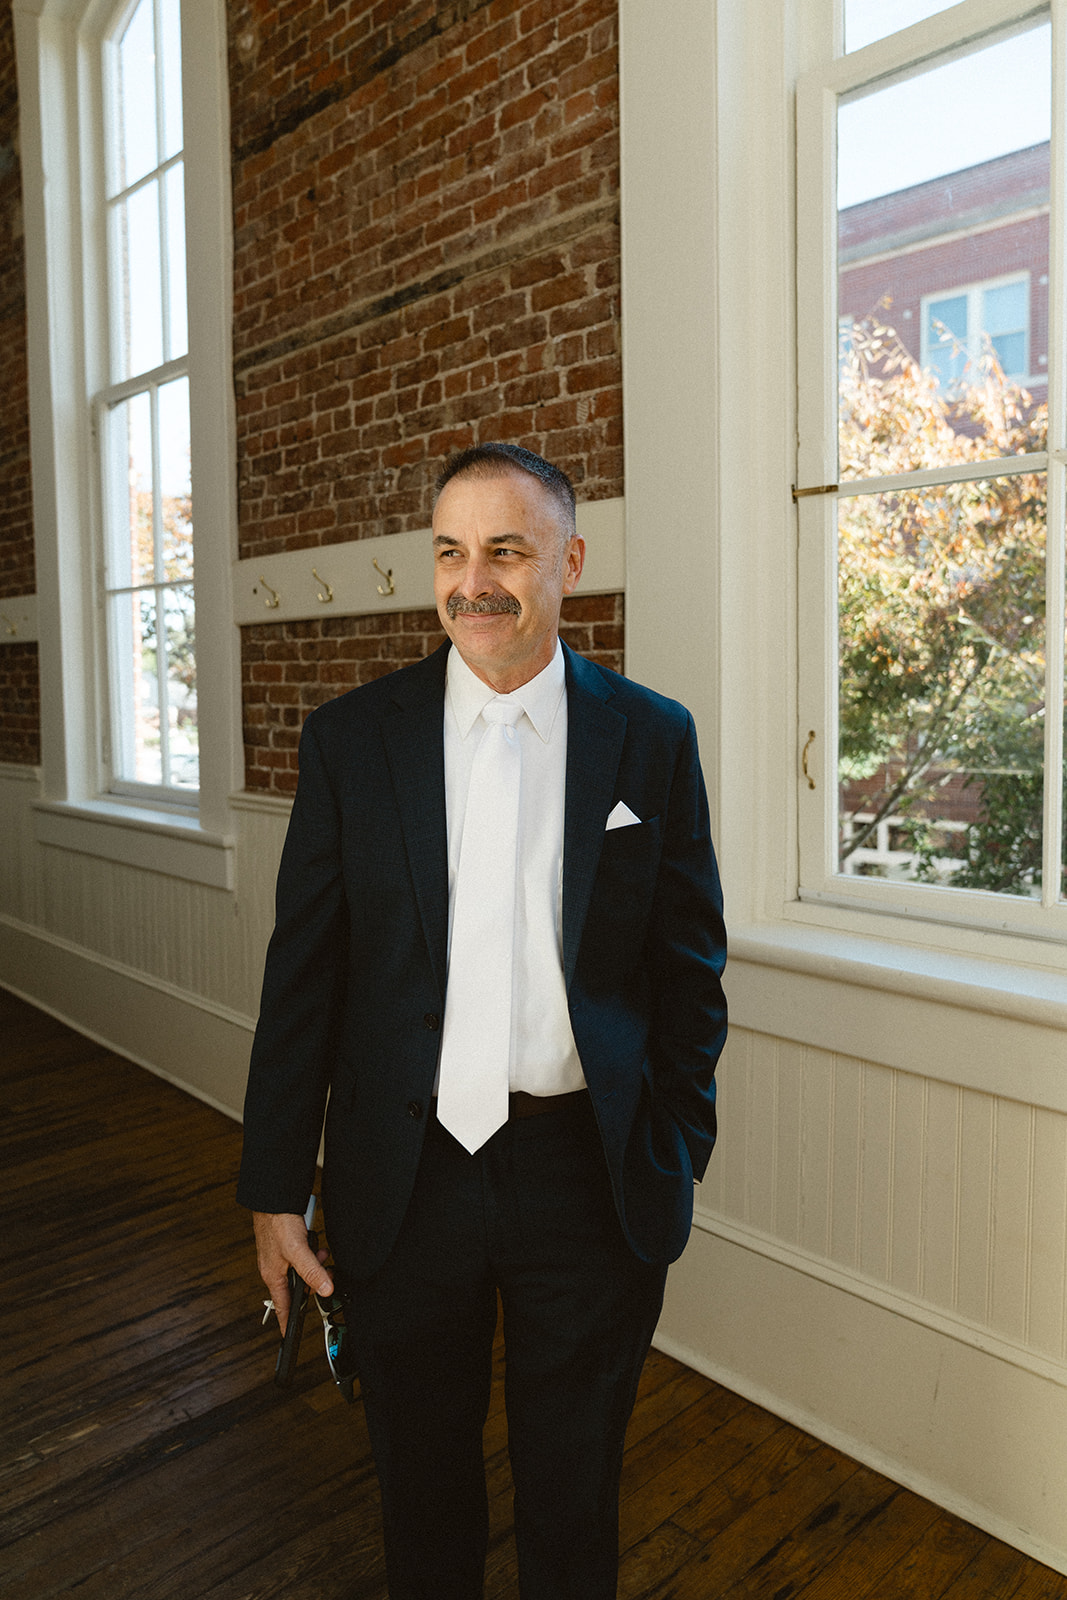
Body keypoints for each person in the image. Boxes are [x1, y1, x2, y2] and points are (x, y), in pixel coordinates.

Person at [237, 442, 727, 1600]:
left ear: (569, 560)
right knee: (420, 1484)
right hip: (403, 1175)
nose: (474, 581)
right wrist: (272, 1183)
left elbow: (688, 967)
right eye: (451, 552)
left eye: (506, 549)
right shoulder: (353, 740)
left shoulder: (649, 737)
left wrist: (677, 1143)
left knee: (574, 1488)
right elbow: (301, 977)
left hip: (588, 1175)